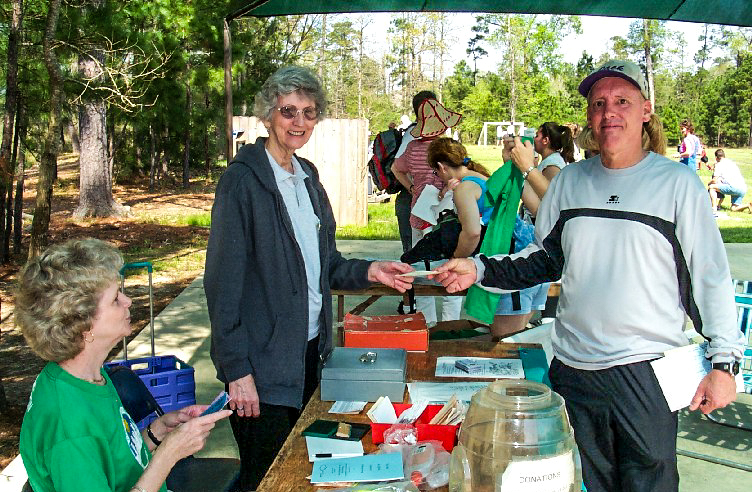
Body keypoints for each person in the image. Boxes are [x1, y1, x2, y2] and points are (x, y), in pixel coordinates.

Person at [432, 59, 744, 491]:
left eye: (621, 101)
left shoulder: (677, 184)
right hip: (574, 370)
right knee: (581, 481)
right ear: (588, 118)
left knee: (649, 483)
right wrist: (477, 266)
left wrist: (724, 362)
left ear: (645, 111)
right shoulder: (570, 182)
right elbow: (544, 259)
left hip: (646, 371)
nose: (609, 112)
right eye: (598, 104)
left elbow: (708, 275)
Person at [203, 65, 414, 491]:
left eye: (309, 112)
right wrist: (236, 371)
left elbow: (327, 263)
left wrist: (371, 270)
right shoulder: (241, 183)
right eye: (288, 111)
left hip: (310, 354)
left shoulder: (308, 178)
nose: (298, 122)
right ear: (268, 115)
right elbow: (221, 285)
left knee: (302, 468)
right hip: (261, 365)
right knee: (265, 475)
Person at [17, 238, 231, 492]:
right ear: (83, 325)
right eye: (115, 299)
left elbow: (112, 458)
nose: (128, 301)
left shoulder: (88, 377)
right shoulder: (69, 426)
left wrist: (158, 432)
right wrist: (169, 454)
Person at [392, 96, 463, 326]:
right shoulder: (447, 148)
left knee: (421, 269)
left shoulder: (412, 148)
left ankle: (426, 324)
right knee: (452, 267)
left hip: (419, 214)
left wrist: (412, 187)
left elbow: (395, 168)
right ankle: (450, 324)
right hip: (447, 217)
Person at [394, 90, 439, 255]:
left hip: (426, 200)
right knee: (416, 255)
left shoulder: (433, 135)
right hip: (415, 200)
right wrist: (412, 188)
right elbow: (396, 168)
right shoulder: (413, 137)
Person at [708, 148, 751, 213]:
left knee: (712, 187)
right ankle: (748, 205)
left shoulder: (719, 164)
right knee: (733, 208)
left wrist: (709, 183)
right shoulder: (731, 162)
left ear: (716, 158)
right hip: (742, 188)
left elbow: (714, 180)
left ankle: (714, 208)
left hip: (733, 187)